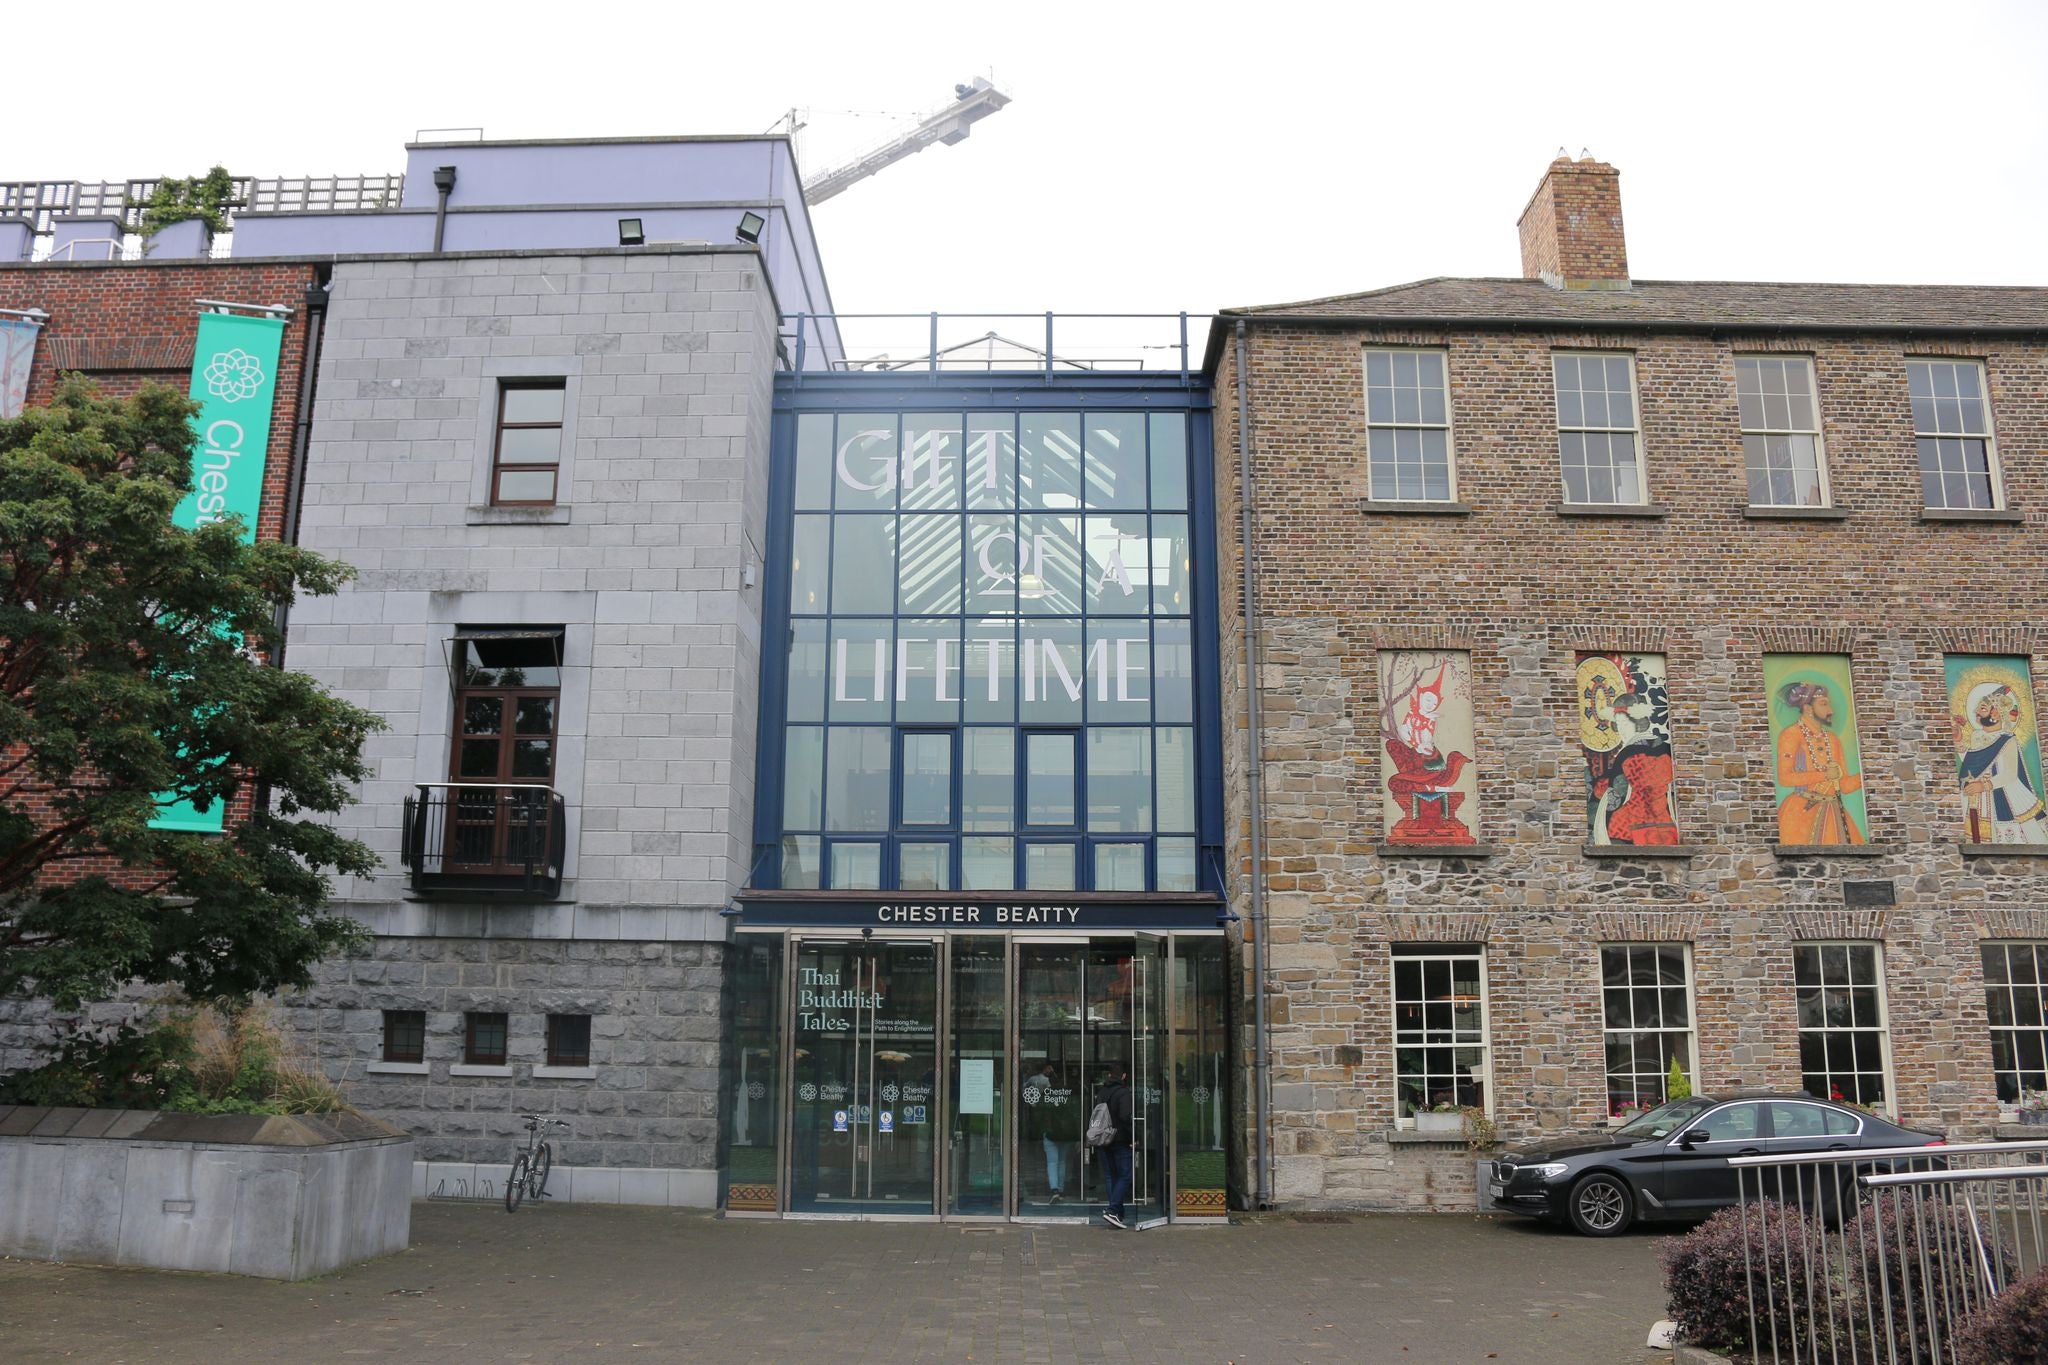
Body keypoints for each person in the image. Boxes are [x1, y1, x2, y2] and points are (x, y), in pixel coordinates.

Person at [1775, 680, 1866, 845]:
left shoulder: (1832, 739)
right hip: (1801, 811)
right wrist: (1824, 775)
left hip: (1833, 812)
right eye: (1824, 704)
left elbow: (1843, 785)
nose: (1830, 711)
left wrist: (1867, 775)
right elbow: (1785, 778)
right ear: (1808, 708)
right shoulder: (1791, 735)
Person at [1022, 1061, 1068, 1202]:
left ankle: (1054, 1190)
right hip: (1065, 1133)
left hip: (1049, 1132)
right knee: (1062, 1162)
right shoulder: (1065, 1094)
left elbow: (1035, 1107)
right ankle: (1060, 1189)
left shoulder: (1042, 1092)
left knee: (1052, 1162)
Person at [1096, 1063, 1135, 1229]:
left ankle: (1117, 1213)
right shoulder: (1123, 1092)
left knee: (1111, 1176)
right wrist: (1134, 1136)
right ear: (1124, 1076)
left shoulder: (1102, 1092)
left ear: (1109, 1075)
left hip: (1104, 1139)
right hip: (1120, 1140)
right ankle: (1113, 1210)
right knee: (1125, 1175)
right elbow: (1125, 1117)